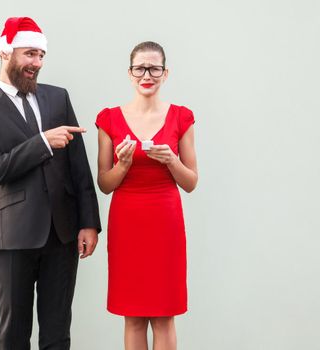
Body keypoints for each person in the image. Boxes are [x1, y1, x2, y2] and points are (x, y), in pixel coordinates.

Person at [0, 17, 101, 350]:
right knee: (15, 333)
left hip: (63, 233)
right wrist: (41, 142)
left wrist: (89, 223)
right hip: (12, 236)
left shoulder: (58, 98)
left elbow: (78, 167)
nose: (36, 63)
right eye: (29, 54)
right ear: (5, 52)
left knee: (57, 331)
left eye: (41, 55)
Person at [95, 41, 198, 350]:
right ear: (130, 73)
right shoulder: (109, 119)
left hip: (165, 223)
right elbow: (104, 183)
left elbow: (191, 182)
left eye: (154, 68)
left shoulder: (182, 117)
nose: (147, 75)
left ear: (165, 74)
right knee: (134, 316)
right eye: (140, 68)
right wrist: (123, 164)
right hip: (128, 223)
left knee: (165, 315)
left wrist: (172, 160)